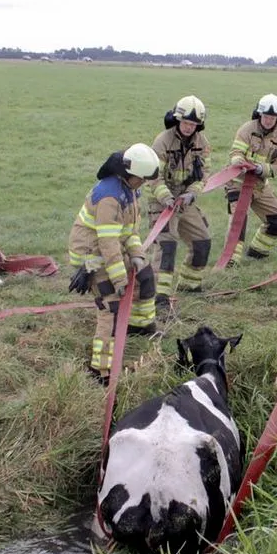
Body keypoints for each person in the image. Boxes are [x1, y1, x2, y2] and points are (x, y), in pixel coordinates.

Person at [67, 143, 161, 384]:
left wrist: (137, 255)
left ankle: (139, 327)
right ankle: (100, 370)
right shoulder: (110, 198)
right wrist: (119, 280)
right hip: (92, 257)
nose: (144, 184)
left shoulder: (130, 190)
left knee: (146, 277)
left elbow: (129, 231)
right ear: (130, 174)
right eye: (142, 179)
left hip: (109, 249)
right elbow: (107, 243)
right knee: (111, 306)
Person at [144, 95, 212, 305]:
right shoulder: (162, 141)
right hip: (161, 200)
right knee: (167, 246)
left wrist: (191, 193)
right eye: (186, 122)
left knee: (202, 241)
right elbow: (153, 176)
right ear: (177, 120)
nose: (189, 127)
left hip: (185, 200)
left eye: (193, 124)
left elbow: (204, 175)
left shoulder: (202, 143)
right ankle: (159, 297)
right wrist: (166, 197)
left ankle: (189, 285)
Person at [225, 93, 277, 260]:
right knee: (239, 219)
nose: (268, 120)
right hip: (238, 183)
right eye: (266, 116)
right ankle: (231, 261)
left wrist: (262, 169)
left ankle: (256, 254)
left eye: (272, 118)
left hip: (259, 185)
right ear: (259, 114)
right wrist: (238, 161)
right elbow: (236, 152)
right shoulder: (247, 129)